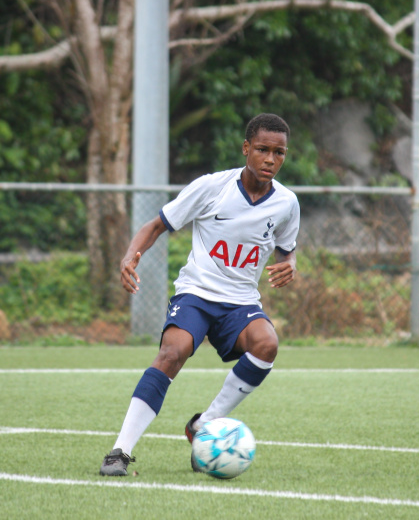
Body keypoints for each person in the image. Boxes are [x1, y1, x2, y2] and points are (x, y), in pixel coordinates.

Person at [100, 113, 300, 476]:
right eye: (262, 150)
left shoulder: (286, 203)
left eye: (279, 152)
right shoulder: (212, 188)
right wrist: (130, 256)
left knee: (267, 344)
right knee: (172, 352)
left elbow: (287, 247)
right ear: (245, 149)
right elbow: (157, 224)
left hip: (240, 301)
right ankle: (120, 451)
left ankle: (204, 425)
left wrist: (290, 263)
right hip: (197, 293)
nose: (271, 159)